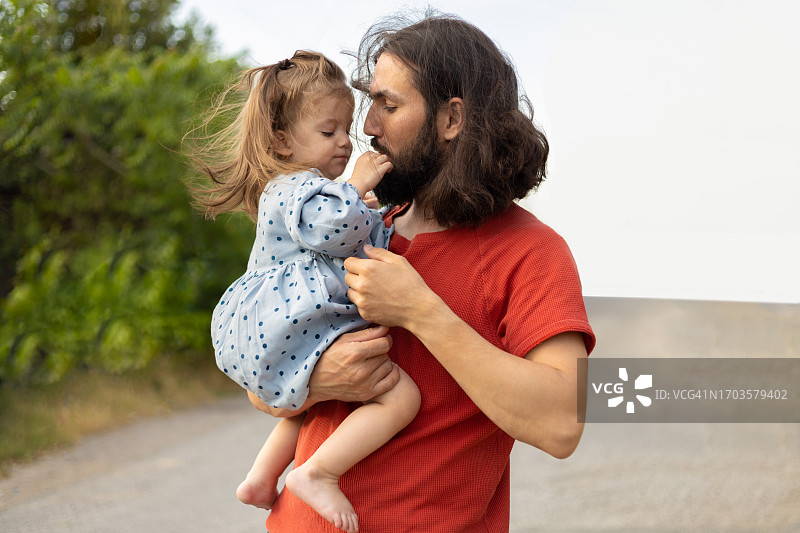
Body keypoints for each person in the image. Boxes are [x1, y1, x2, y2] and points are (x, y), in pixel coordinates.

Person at [248, 12, 597, 533]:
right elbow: (259, 383)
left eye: (388, 106)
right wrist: (317, 381)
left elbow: (562, 424)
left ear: (451, 119)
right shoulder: (357, 228)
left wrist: (420, 311)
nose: (368, 127)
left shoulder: (531, 251)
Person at [187, 50, 421, 533]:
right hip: (299, 315)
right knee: (401, 397)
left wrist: (362, 204)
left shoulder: (301, 189)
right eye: (328, 131)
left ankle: (261, 477)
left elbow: (348, 233)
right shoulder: (295, 186)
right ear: (282, 140)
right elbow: (335, 230)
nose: (345, 142)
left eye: (346, 130)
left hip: (295, 320)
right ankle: (317, 473)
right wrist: (355, 186)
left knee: (311, 395)